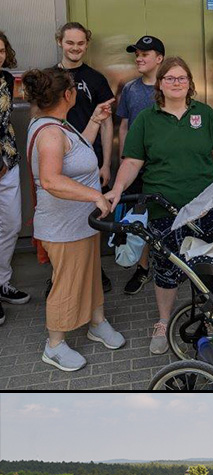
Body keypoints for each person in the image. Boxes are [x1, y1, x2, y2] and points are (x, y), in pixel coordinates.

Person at [105, 56, 213, 354]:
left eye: (182, 78)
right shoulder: (147, 119)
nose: (176, 83)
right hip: (163, 210)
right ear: (160, 84)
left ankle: (212, 319)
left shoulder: (206, 115)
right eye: (170, 78)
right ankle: (163, 321)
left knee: (210, 266)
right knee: (166, 269)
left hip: (206, 209)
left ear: (190, 83)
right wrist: (118, 189)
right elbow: (132, 161)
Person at [23, 67, 125, 371]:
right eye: (73, 89)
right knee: (66, 284)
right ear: (67, 95)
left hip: (82, 224)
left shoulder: (58, 125)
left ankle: (97, 322)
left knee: (91, 275)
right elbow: (52, 180)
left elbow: (76, 153)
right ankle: (54, 345)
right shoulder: (50, 133)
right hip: (62, 226)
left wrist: (94, 120)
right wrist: (95, 195)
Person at [56, 22, 115, 294]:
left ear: (86, 45)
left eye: (80, 43)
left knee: (90, 216)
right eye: (70, 43)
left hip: (90, 162)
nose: (75, 48)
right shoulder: (49, 78)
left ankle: (94, 271)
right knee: (60, 219)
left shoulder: (96, 79)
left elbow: (106, 122)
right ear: (60, 42)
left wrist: (105, 164)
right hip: (56, 160)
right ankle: (59, 274)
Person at [115, 35, 165, 296]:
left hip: (165, 166)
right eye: (137, 53)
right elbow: (123, 125)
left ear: (159, 59)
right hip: (136, 166)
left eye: (145, 53)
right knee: (139, 218)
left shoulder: (170, 87)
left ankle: (171, 264)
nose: (139, 57)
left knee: (167, 214)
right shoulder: (130, 89)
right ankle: (144, 268)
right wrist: (123, 158)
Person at [0, 30, 28, 324]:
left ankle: (3, 282)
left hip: (7, 162)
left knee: (11, 225)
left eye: (0, 50)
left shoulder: (7, 80)